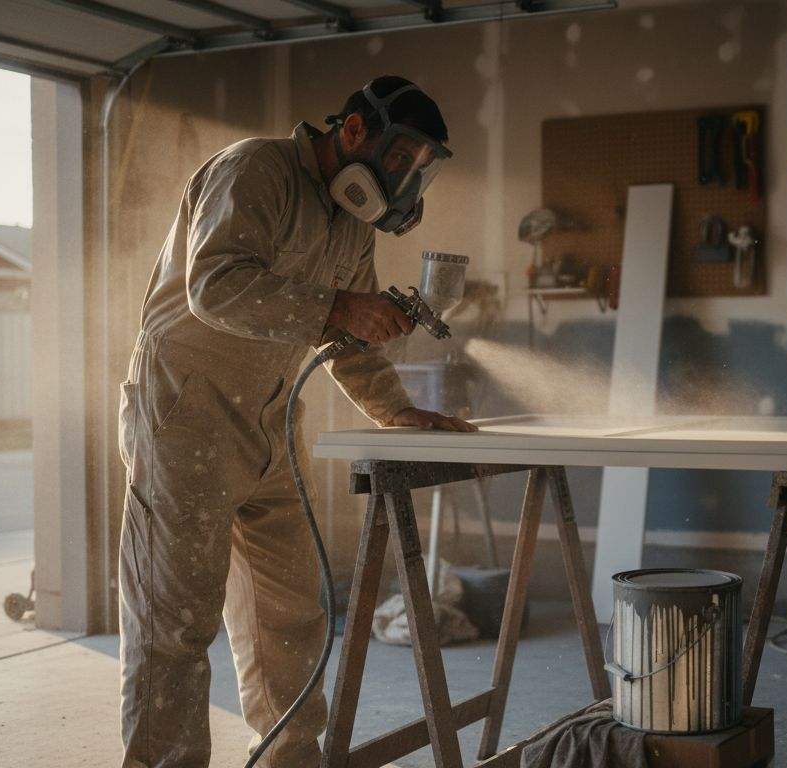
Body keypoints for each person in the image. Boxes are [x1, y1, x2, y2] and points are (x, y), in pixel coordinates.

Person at [116, 75, 476, 768]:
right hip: (184, 417)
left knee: (291, 614)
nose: (404, 178)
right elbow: (213, 285)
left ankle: (289, 760)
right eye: (400, 158)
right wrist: (338, 308)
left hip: (272, 422)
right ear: (352, 131)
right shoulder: (255, 170)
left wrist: (394, 408)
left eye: (417, 169)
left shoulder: (351, 221)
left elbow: (352, 334)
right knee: (175, 624)